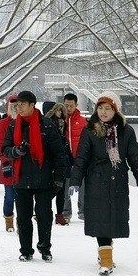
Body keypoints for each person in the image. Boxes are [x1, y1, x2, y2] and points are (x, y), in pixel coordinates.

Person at [68, 91, 138, 276]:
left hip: (118, 181)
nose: (103, 112)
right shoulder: (90, 130)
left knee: (112, 219)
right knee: (99, 219)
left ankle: (106, 250)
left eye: (107, 109)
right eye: (100, 108)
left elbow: (134, 157)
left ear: (115, 111)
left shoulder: (127, 131)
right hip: (96, 180)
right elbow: (81, 158)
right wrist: (75, 181)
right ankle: (106, 261)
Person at [1, 90, 69, 262]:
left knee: (44, 216)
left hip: (43, 178)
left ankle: (45, 248)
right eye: (17, 105)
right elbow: (4, 150)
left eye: (22, 105)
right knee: (23, 217)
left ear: (32, 105)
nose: (19, 108)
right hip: (21, 179)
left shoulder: (47, 125)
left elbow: (58, 154)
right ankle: (25, 250)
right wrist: (17, 151)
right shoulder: (13, 126)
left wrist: (59, 178)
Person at [45, 102, 74, 226]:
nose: (60, 113)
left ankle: (60, 214)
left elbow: (66, 144)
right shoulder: (48, 126)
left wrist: (72, 161)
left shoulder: (63, 125)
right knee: (52, 189)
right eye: (58, 111)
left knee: (61, 189)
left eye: (61, 111)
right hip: (52, 161)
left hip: (63, 160)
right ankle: (43, 210)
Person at [62, 92, 88, 222]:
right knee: (66, 187)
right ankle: (66, 212)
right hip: (66, 160)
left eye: (71, 106)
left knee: (83, 186)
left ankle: (83, 211)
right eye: (66, 105)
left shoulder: (83, 121)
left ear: (76, 105)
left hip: (80, 159)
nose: (68, 108)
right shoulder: (61, 121)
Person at [0, 95, 19, 232]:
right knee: (10, 196)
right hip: (8, 164)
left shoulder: (24, 122)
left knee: (23, 197)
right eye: (12, 105)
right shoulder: (3, 123)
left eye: (17, 105)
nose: (15, 108)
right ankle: (8, 219)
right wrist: (5, 160)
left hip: (24, 166)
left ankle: (21, 223)